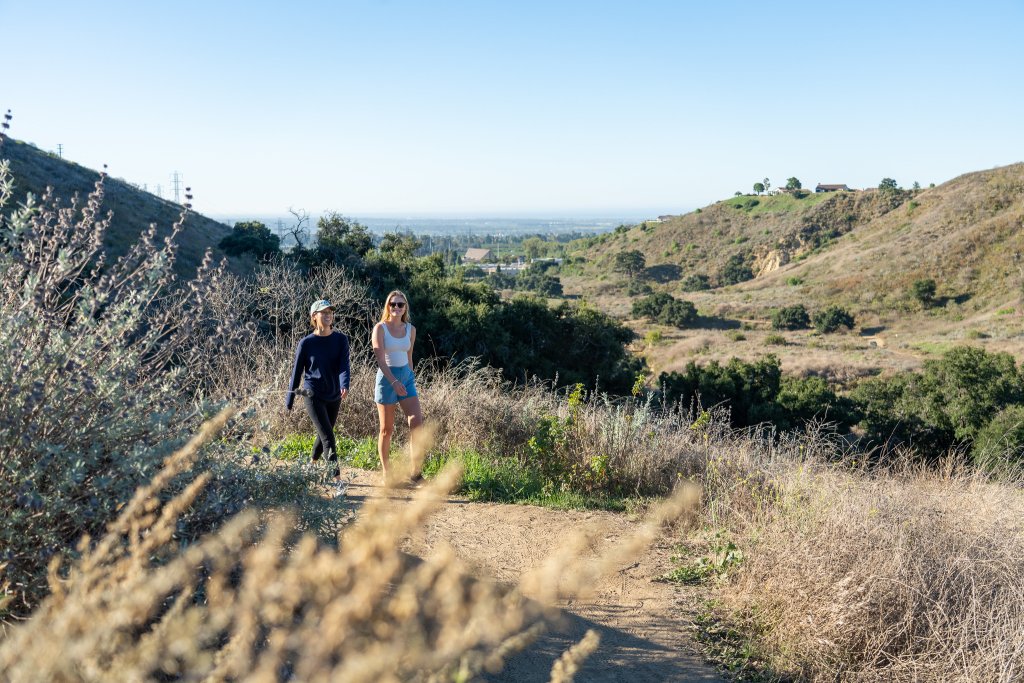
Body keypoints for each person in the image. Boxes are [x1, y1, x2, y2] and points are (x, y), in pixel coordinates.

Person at [286, 299, 350, 478]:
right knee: (329, 438)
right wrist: (289, 400)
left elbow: (344, 365)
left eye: (330, 312)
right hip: (312, 394)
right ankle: (337, 481)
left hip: (334, 395)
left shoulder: (340, 340)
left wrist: (345, 384)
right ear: (314, 316)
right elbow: (297, 372)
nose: (328, 315)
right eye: (324, 312)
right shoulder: (306, 343)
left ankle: (311, 465)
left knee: (324, 434)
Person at [372, 289, 423, 483]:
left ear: (405, 308)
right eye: (393, 304)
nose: (396, 307)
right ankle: (387, 473)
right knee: (387, 429)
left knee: (416, 423)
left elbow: (409, 357)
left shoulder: (411, 329)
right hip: (387, 379)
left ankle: (415, 474)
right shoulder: (380, 328)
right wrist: (394, 382)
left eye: (400, 304)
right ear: (388, 306)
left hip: (406, 378)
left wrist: (410, 378)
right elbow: (380, 360)